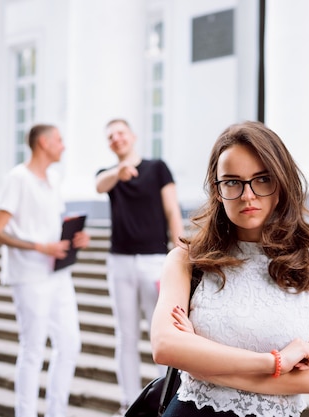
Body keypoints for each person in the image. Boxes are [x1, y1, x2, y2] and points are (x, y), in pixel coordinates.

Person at [150, 120, 309, 417]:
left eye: (262, 179)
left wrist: (200, 360)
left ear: (281, 182)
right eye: (232, 182)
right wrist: (274, 363)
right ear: (217, 190)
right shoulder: (187, 259)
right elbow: (164, 346)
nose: (247, 195)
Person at [0, 124, 90, 417]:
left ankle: (57, 412)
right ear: (43, 143)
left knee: (70, 344)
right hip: (29, 276)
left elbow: (52, 223)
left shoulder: (54, 179)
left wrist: (75, 238)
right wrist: (40, 247)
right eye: (59, 140)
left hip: (58, 274)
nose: (63, 146)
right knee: (32, 350)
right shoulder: (17, 178)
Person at [95, 118, 184, 416]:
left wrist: (181, 250)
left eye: (120, 133)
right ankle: (128, 402)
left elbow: (172, 209)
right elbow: (98, 185)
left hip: (155, 261)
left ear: (132, 136)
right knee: (126, 335)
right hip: (119, 262)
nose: (116, 138)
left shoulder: (157, 167)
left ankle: (167, 398)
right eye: (110, 136)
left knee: (162, 333)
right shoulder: (108, 176)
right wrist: (118, 173)